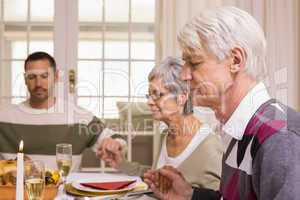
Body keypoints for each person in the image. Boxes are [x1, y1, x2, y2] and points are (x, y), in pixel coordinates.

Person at [144, 6, 300, 200]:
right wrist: (189, 195)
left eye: (194, 62)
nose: (184, 75)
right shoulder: (239, 130)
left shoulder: (280, 138)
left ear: (235, 60)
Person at [97, 57, 223, 190]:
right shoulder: (166, 134)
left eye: (157, 95)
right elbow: (157, 178)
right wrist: (121, 164)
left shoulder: (209, 146)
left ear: (182, 97)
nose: (149, 102)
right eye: (149, 95)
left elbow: (219, 196)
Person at [0, 51, 125, 170]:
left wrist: (113, 143)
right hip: (15, 191)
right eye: (32, 77)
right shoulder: (4, 118)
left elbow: (117, 138)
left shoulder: (79, 116)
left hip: (65, 191)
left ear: (56, 77)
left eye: (45, 76)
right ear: (25, 79)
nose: (38, 83)